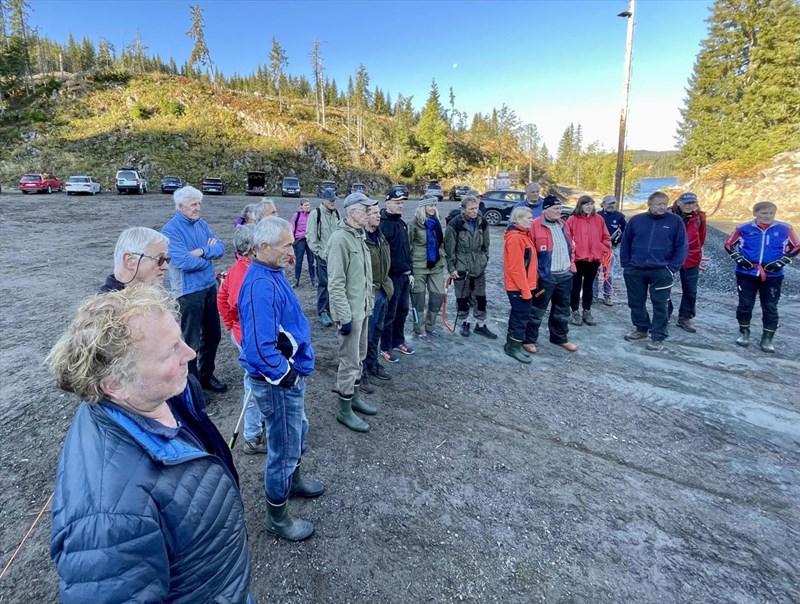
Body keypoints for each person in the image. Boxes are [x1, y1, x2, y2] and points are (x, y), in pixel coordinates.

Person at [47, 285, 252, 603]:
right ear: (115, 384)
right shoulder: (108, 517)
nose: (190, 353)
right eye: (171, 351)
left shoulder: (162, 394)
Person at [238, 216, 324, 541]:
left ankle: (294, 481)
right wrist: (287, 376)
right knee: (283, 448)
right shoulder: (260, 285)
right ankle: (277, 517)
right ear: (263, 247)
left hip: (289, 377)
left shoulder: (273, 272)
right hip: (277, 384)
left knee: (297, 432)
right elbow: (260, 349)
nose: (293, 250)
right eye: (287, 245)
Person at [162, 186, 228, 392]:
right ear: (181, 206)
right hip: (189, 293)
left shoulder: (202, 224)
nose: (198, 208)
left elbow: (221, 248)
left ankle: (206, 376)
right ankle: (191, 386)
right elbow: (183, 262)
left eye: (199, 203)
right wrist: (208, 258)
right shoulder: (170, 230)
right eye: (193, 204)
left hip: (209, 287)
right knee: (190, 342)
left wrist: (202, 251)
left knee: (213, 335)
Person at [326, 192, 379, 432]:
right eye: (365, 209)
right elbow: (335, 283)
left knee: (360, 356)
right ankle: (343, 409)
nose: (369, 213)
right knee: (349, 361)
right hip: (350, 313)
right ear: (352, 212)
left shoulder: (359, 235)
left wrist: (368, 305)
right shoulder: (340, 239)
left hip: (363, 308)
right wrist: (344, 317)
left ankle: (354, 399)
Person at [724, 201, 799, 352]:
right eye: (764, 213)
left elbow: (796, 246)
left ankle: (767, 339)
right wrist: (739, 259)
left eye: (771, 213)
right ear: (755, 214)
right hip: (746, 273)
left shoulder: (785, 228)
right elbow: (728, 244)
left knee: (770, 306)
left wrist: (782, 262)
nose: (768, 216)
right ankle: (744, 333)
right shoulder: (743, 228)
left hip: (774, 274)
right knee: (745, 305)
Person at [217, 225, 266, 455]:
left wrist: (230, 324)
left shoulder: (241, 268)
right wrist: (233, 325)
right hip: (249, 337)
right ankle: (252, 436)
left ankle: (256, 430)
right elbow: (232, 301)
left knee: (255, 381)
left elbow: (222, 297)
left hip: (244, 334)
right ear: (251, 249)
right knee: (254, 384)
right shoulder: (245, 273)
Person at [620, 191, 689, 352]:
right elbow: (626, 242)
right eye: (659, 204)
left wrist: (672, 268)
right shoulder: (637, 220)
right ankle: (641, 329)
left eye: (665, 203)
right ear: (649, 204)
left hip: (661, 271)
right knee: (635, 302)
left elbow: (682, 246)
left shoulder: (675, 221)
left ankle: (657, 336)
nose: (663, 207)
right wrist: (626, 265)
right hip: (635, 269)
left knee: (661, 305)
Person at [528, 195, 578, 352]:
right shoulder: (534, 226)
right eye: (555, 208)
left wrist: (572, 266)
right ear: (545, 210)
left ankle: (559, 338)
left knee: (562, 309)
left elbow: (571, 247)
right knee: (537, 310)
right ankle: (528, 340)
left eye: (560, 208)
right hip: (545, 277)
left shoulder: (563, 225)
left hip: (565, 275)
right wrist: (535, 274)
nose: (559, 211)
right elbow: (529, 254)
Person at [444, 194, 496, 338]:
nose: (474, 211)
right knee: (463, 297)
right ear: (463, 209)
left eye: (476, 208)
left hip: (479, 267)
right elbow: (449, 249)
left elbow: (486, 245)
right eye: (471, 209)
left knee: (480, 297)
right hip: (461, 267)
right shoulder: (455, 224)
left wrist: (484, 260)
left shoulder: (482, 222)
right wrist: (452, 268)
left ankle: (481, 324)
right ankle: (464, 322)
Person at [379, 188, 415, 363]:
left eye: (401, 203)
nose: (400, 206)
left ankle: (398, 341)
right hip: (391, 277)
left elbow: (406, 250)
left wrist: (411, 270)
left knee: (403, 311)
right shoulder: (383, 224)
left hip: (404, 275)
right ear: (387, 202)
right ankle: (385, 347)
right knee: (389, 314)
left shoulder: (401, 223)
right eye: (396, 202)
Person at [566, 195, 611, 326]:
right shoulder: (572, 219)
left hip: (594, 259)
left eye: (591, 204)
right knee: (575, 287)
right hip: (578, 259)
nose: (589, 207)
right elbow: (568, 238)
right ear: (580, 205)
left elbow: (606, 237)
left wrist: (600, 248)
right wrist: (574, 252)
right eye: (586, 204)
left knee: (588, 286)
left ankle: (587, 310)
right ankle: (574, 311)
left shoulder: (599, 219)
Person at [362, 203, 394, 388]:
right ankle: (362, 371)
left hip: (383, 289)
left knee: (377, 331)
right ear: (364, 217)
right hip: (370, 292)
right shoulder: (362, 239)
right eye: (373, 213)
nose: (378, 216)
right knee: (366, 333)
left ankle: (373, 364)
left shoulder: (380, 236)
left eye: (378, 213)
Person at [667, 192, 707, 333]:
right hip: (670, 257)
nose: (689, 206)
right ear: (678, 203)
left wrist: (695, 252)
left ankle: (685, 317)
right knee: (664, 287)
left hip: (691, 257)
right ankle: (666, 313)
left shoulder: (699, 217)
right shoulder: (668, 215)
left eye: (692, 203)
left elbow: (701, 238)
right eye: (686, 203)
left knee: (690, 289)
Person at [409, 197, 447, 342]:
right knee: (418, 300)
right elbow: (408, 246)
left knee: (438, 295)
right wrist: (409, 269)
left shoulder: (437, 221)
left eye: (435, 205)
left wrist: (443, 257)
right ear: (422, 207)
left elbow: (440, 243)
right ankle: (419, 328)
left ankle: (430, 326)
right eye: (430, 205)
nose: (433, 208)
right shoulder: (413, 224)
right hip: (419, 266)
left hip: (436, 265)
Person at [503, 206, 538, 363]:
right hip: (518, 287)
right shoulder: (516, 238)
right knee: (520, 318)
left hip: (525, 285)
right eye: (528, 218)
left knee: (519, 316)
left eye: (531, 217)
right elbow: (516, 268)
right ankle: (514, 347)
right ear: (517, 220)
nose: (532, 220)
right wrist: (525, 290)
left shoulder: (524, 235)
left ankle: (511, 345)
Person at [306, 189, 340, 327]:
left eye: (334, 200)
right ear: (323, 201)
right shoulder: (316, 214)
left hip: (336, 257)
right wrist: (319, 253)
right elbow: (310, 236)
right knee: (323, 285)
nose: (333, 203)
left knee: (335, 284)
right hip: (323, 257)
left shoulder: (336, 213)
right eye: (331, 200)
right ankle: (322, 311)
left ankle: (332, 309)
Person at [99, 226, 170, 293]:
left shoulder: (144, 298)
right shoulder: (108, 305)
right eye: (159, 259)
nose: (166, 267)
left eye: (166, 259)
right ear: (130, 261)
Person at [593, 195, 627, 306]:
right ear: (603, 204)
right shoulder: (597, 215)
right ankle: (593, 295)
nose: (611, 205)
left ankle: (607, 295)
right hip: (597, 249)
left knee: (609, 273)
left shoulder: (619, 216)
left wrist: (618, 241)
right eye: (609, 203)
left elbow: (625, 231)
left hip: (612, 249)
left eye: (613, 203)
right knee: (595, 272)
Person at [289, 198, 317, 288]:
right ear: (301, 206)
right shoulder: (296, 215)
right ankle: (296, 280)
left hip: (309, 239)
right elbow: (292, 226)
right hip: (299, 240)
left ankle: (313, 280)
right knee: (299, 261)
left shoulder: (313, 215)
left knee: (311, 260)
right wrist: (291, 239)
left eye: (308, 205)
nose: (307, 207)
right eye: (305, 205)